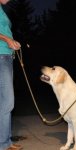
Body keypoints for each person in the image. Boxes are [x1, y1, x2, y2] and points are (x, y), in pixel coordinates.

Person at [0, 0, 23, 150]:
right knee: (8, 101)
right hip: (1, 56)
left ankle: (5, 142)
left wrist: (12, 41)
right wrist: (7, 39)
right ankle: (3, 144)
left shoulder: (2, 9)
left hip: (7, 56)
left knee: (4, 102)